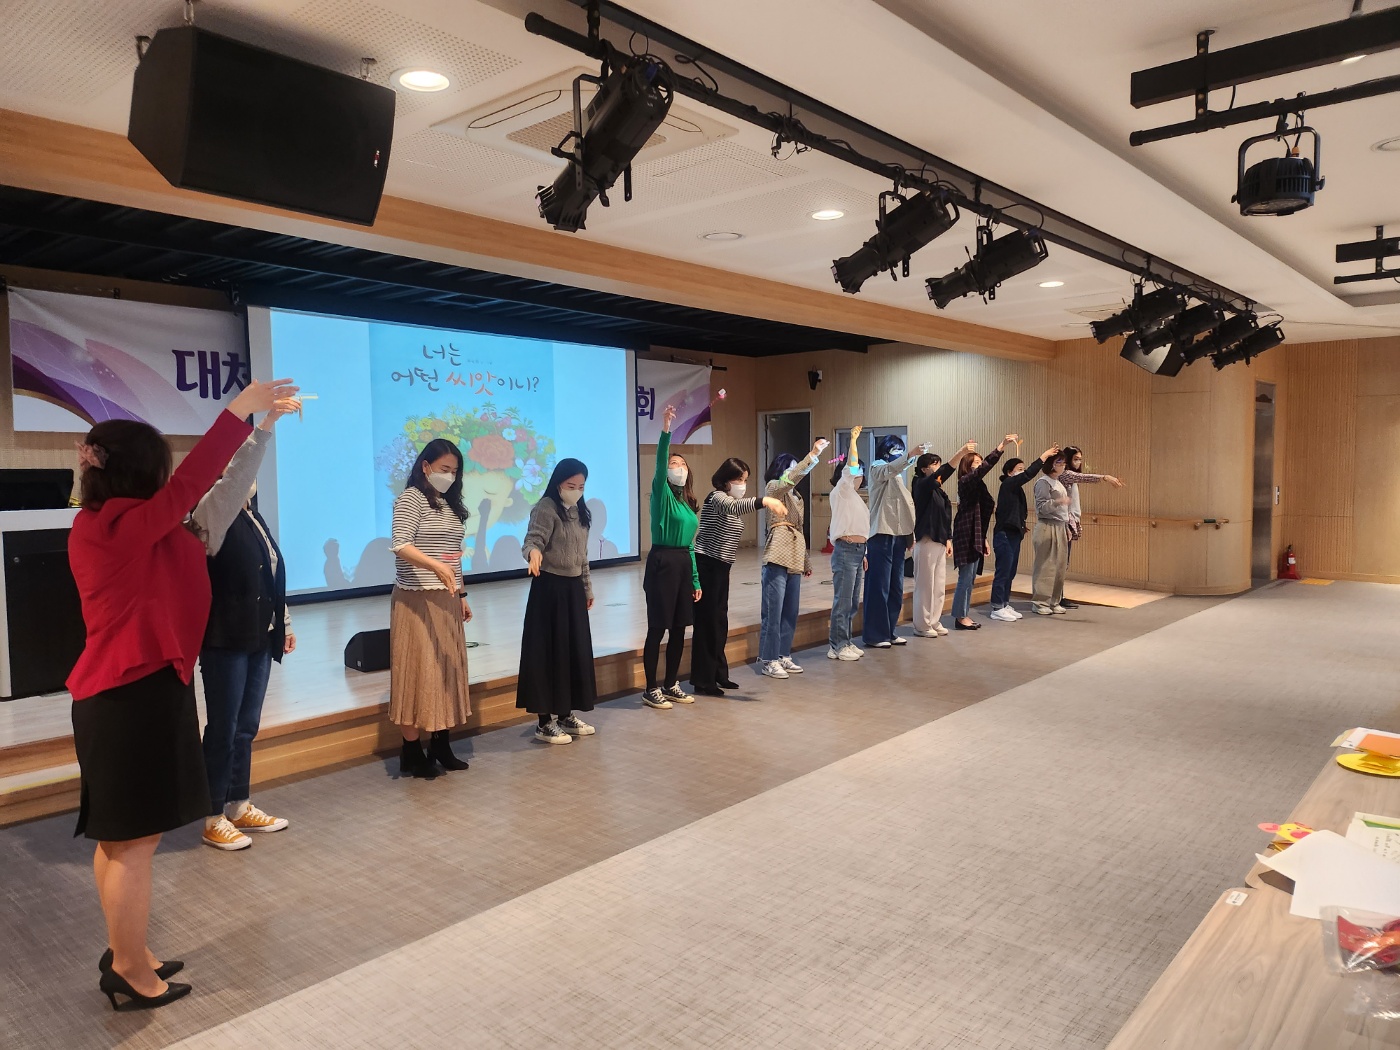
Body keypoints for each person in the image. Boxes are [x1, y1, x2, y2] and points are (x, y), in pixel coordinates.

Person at [68, 377, 298, 1011]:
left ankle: (128, 952)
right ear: (144, 473)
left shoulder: (145, 531)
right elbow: (194, 484)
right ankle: (129, 971)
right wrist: (237, 410)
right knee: (132, 843)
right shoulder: (114, 527)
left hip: (137, 694)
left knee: (122, 840)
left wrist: (261, 432)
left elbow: (216, 497)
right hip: (128, 699)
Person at [191, 407, 300, 852]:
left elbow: (269, 571)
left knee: (246, 726)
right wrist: (266, 424)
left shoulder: (251, 514)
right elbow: (237, 478)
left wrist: (283, 621)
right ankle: (212, 814)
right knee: (224, 727)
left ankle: (237, 804)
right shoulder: (210, 511)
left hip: (259, 634)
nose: (248, 475)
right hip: (225, 638)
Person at [388, 439, 474, 778]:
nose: (449, 476)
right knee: (416, 670)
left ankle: (441, 743)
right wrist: (435, 567)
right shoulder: (411, 498)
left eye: (454, 471)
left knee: (445, 670)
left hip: (446, 599)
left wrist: (461, 594)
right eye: (443, 469)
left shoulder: (450, 505)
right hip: (416, 599)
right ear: (425, 467)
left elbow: (453, 556)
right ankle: (411, 751)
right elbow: (401, 544)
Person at [690, 457, 787, 696]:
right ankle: (703, 680)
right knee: (707, 623)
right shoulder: (716, 498)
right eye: (739, 479)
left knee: (719, 622)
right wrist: (765, 501)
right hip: (707, 565)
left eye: (745, 480)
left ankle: (719, 674)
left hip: (722, 567)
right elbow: (734, 507)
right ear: (726, 479)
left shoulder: (730, 500)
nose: (743, 484)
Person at [518, 459, 598, 743]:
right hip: (549, 589)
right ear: (558, 483)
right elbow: (532, 540)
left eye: (581, 487)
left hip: (573, 589)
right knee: (547, 653)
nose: (576, 491)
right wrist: (533, 554)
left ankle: (565, 714)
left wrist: (587, 589)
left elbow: (582, 556)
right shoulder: (546, 507)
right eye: (570, 485)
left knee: (572, 652)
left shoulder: (581, 512)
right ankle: (544, 722)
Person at [642, 405, 702, 710]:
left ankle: (671, 683)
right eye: (673, 463)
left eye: (682, 464)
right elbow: (660, 459)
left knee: (679, 628)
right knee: (658, 627)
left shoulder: (688, 503)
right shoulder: (662, 495)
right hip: (662, 563)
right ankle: (650, 687)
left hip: (682, 564)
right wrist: (666, 427)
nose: (678, 467)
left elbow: (690, 546)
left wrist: (695, 579)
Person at [759, 436, 828, 678]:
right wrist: (813, 455)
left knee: (790, 610)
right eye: (789, 467)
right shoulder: (773, 488)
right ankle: (768, 659)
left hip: (795, 553)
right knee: (773, 611)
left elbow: (800, 529)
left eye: (795, 467)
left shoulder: (797, 497)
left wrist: (806, 561)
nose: (792, 471)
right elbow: (788, 481)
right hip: (778, 551)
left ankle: (783, 654)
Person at [862, 434, 927, 649]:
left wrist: (909, 535)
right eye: (896, 450)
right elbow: (889, 469)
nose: (899, 453)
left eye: (901, 449)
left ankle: (889, 630)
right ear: (885, 451)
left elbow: (904, 507)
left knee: (895, 587)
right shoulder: (877, 467)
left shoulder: (898, 476)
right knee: (878, 586)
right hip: (881, 534)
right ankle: (875, 634)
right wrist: (910, 455)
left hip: (898, 535)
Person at [950, 434, 1018, 630]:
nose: (980, 465)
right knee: (965, 577)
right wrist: (1001, 446)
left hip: (976, 533)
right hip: (965, 533)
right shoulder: (966, 481)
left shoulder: (978, 484)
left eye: (980, 462)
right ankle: (960, 617)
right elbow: (985, 468)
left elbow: (982, 513)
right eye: (976, 463)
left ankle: (963, 614)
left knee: (970, 577)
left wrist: (984, 539)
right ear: (968, 466)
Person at [988, 446, 1060, 623]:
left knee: (1010, 571)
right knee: (1003, 571)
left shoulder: (1016, 488)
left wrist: (1021, 526)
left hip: (1014, 533)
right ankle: (997, 606)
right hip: (1004, 534)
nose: (1022, 471)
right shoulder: (1008, 484)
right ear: (1009, 472)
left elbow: (1017, 510)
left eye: (1022, 468)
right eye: (1019, 469)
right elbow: (1028, 474)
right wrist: (1043, 457)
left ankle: (1004, 603)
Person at [910, 444, 970, 638]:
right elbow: (945, 472)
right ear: (924, 469)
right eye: (935, 464)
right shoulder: (920, 484)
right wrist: (960, 453)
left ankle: (934, 621)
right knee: (925, 586)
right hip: (926, 540)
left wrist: (948, 539)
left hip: (940, 540)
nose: (938, 468)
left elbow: (945, 516)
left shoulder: (938, 491)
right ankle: (922, 624)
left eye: (938, 464)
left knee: (938, 585)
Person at [1055, 446, 1125, 609]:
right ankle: (1056, 597)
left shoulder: (1070, 476)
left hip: (1069, 522)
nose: (1078, 462)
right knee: (1060, 562)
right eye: (1075, 459)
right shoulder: (1065, 474)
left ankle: (1058, 595)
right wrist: (1105, 477)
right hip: (1062, 523)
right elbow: (1085, 477)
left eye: (1080, 459)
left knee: (1064, 562)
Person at [826, 427, 869, 662]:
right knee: (842, 602)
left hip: (858, 551)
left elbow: (861, 528)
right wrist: (853, 441)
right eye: (856, 471)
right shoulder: (841, 491)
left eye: (861, 472)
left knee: (852, 602)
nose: (859, 475)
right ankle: (837, 645)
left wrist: (865, 553)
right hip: (845, 551)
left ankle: (846, 641)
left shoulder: (855, 497)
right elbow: (850, 466)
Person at [1032, 452, 1074, 615]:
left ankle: (1054, 601)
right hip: (1047, 525)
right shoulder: (1043, 482)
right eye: (1059, 462)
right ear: (1051, 464)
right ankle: (1040, 602)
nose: (1063, 466)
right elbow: (1041, 507)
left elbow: (1064, 511)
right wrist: (1058, 501)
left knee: (1059, 567)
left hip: (1060, 525)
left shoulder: (1058, 482)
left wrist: (1067, 527)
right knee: (1045, 566)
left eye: (1063, 463)